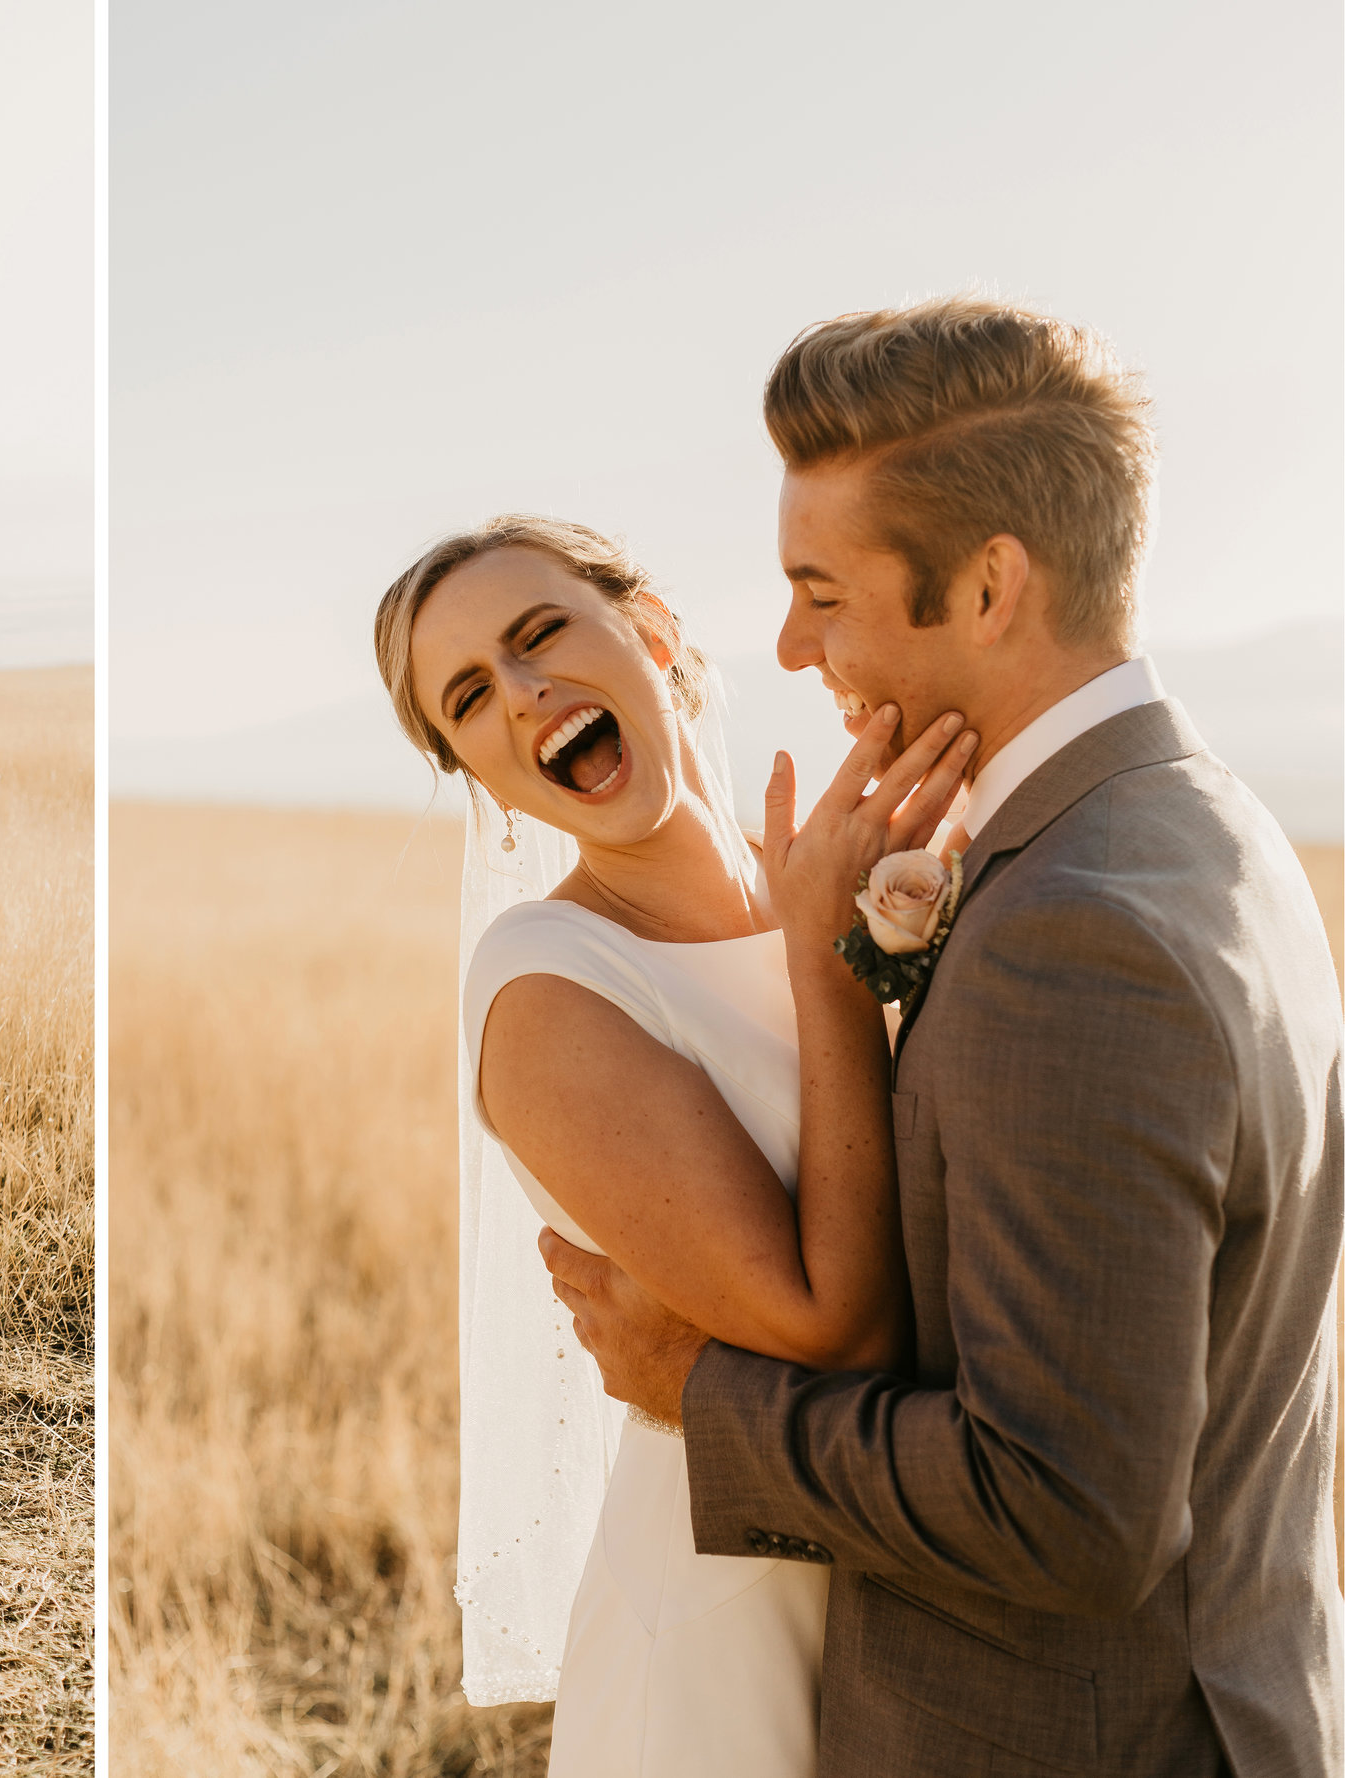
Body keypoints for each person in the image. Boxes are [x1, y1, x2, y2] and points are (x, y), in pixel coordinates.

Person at [543, 297, 1344, 1775]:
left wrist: (701, 1389)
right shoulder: (1207, 821)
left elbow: (1065, 1509)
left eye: (823, 591)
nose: (788, 644)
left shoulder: (1075, 930)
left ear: (990, 589)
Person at [375, 514, 970, 1774]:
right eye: (472, 698)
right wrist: (823, 958)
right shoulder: (546, 987)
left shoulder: (820, 885)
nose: (524, 693)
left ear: (649, 633)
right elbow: (829, 1327)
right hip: (722, 1626)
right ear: (478, 771)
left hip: (913, 1585)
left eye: (541, 635)